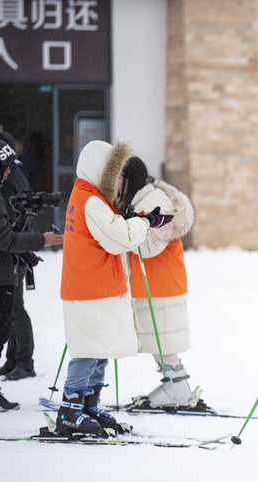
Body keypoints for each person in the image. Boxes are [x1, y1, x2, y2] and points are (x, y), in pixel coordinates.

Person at [57, 140, 172, 436]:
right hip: (90, 289)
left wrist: (132, 219)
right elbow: (119, 238)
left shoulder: (88, 196)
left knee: (100, 349)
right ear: (102, 171)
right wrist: (144, 223)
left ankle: (88, 404)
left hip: (96, 286)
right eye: (116, 173)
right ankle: (70, 410)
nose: (120, 181)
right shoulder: (91, 201)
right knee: (87, 351)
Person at [0, 138, 64, 411]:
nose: (9, 173)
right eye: (5, 167)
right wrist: (40, 240)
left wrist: (22, 246)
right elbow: (2, 239)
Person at [115, 156, 199, 409]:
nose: (115, 183)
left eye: (119, 177)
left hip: (161, 282)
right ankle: (173, 382)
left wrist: (126, 227)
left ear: (130, 179)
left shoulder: (152, 201)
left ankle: (177, 385)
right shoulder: (142, 198)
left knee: (163, 339)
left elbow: (150, 246)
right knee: (157, 338)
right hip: (152, 281)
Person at [0, 132, 40, 381]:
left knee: (14, 308)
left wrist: (22, 245)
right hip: (8, 251)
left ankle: (25, 361)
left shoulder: (9, 178)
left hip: (12, 253)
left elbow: (18, 216)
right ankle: (13, 358)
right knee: (10, 310)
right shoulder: (5, 176)